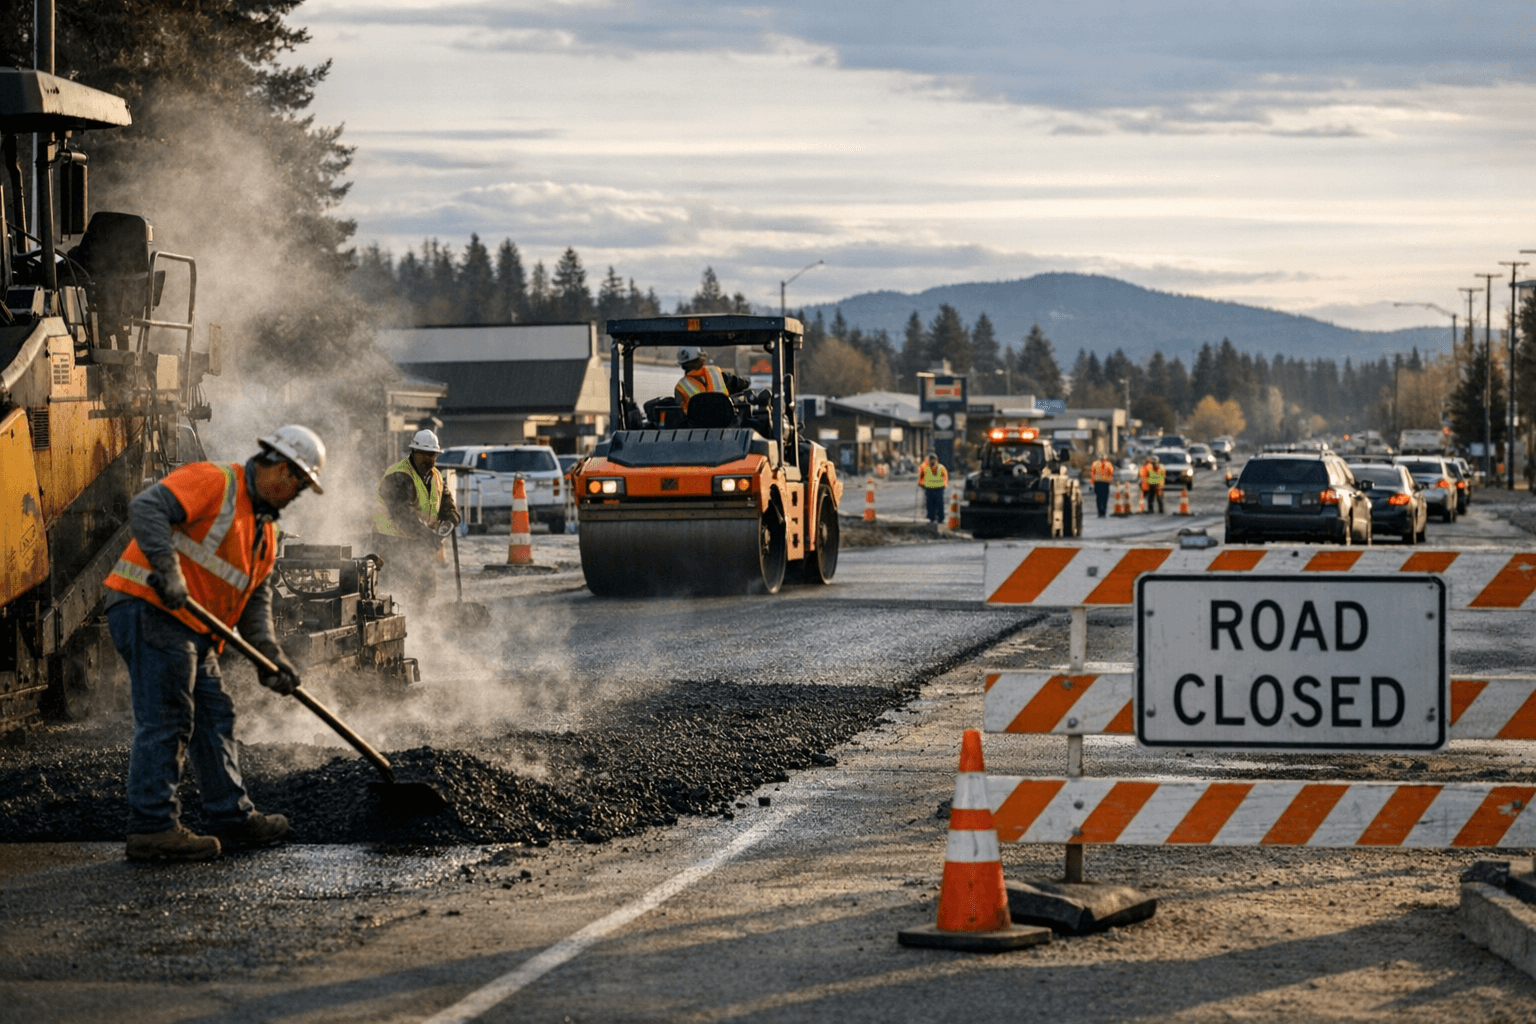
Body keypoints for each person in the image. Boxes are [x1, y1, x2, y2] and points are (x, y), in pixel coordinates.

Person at [104, 424, 325, 862]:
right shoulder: (215, 481)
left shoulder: (265, 533)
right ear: (281, 469)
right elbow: (147, 507)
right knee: (169, 717)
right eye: (298, 486)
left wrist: (270, 657)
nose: (296, 497)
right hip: (149, 606)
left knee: (214, 715)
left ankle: (232, 817)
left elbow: (254, 601)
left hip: (192, 629)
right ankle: (152, 828)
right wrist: (169, 570)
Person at [371, 429, 460, 607]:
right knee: (396, 590)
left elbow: (447, 503)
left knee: (424, 588)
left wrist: (451, 519)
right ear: (414, 452)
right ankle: (402, 623)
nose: (429, 459)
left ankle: (420, 621)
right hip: (391, 541)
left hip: (418, 540)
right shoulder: (399, 475)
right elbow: (402, 514)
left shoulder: (435, 477)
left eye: (433, 455)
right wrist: (428, 536)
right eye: (425, 454)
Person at [674, 346, 751, 418]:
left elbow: (679, 413)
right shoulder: (716, 372)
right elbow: (740, 384)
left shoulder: (680, 386)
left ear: (682, 364)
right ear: (702, 357)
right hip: (725, 422)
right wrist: (747, 382)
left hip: (697, 426)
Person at [919, 453, 949, 523]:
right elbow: (921, 477)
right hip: (931, 489)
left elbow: (945, 477)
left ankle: (938, 518)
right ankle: (933, 518)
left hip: (936, 489)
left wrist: (921, 484)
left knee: (937, 505)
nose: (932, 462)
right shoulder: (925, 468)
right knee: (931, 505)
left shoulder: (941, 468)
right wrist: (921, 484)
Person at [1089, 452, 1117, 518]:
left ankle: (1100, 512)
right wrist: (1110, 479)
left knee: (1099, 498)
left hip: (1097, 483)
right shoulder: (1109, 464)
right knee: (1105, 498)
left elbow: (1092, 474)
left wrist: (1092, 483)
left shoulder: (1095, 464)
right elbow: (1111, 472)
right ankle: (1103, 511)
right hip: (1105, 483)